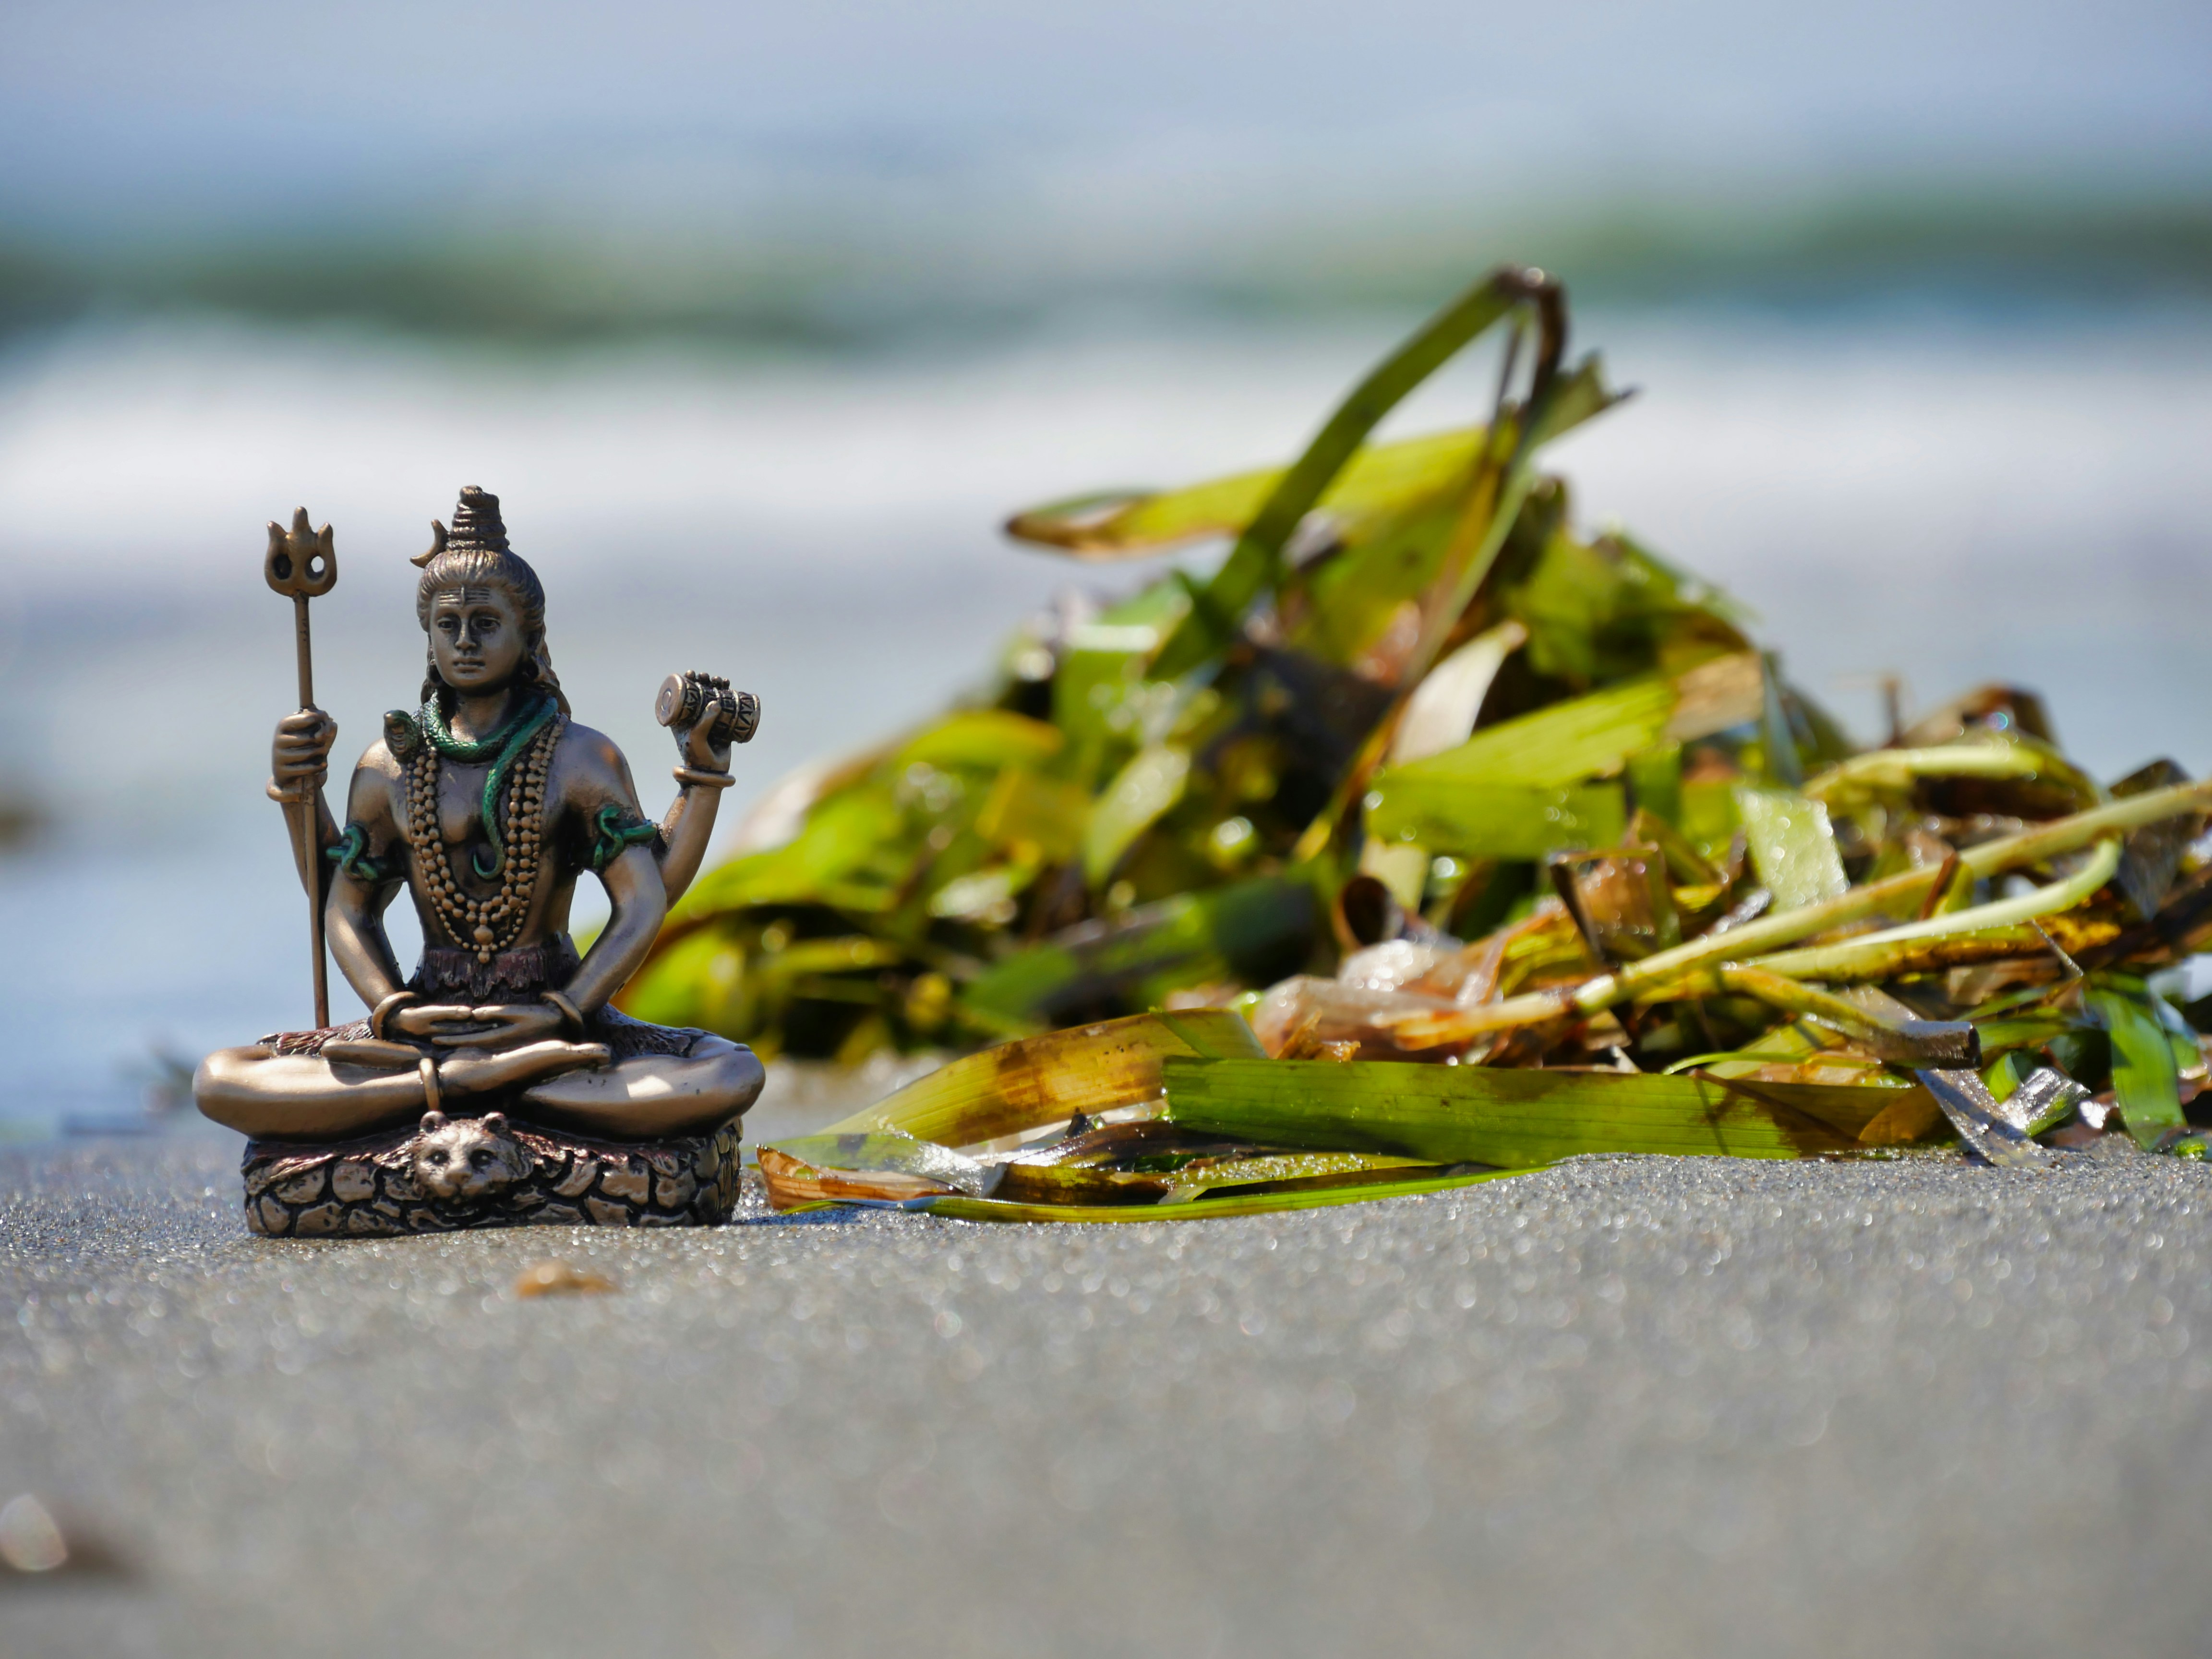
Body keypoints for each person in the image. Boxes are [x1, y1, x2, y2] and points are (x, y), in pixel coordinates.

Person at [195, 487, 764, 1142]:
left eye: (487, 624)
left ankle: (441, 1098)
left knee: (730, 1072)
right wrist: (390, 1009)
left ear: (529, 638)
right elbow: (344, 906)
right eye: (448, 625)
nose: (464, 641)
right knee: (220, 1075)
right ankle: (500, 1092)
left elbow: (643, 902)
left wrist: (565, 1010)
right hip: (424, 1028)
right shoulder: (390, 767)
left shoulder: (580, 758)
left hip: (553, 1019)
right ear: (428, 634)